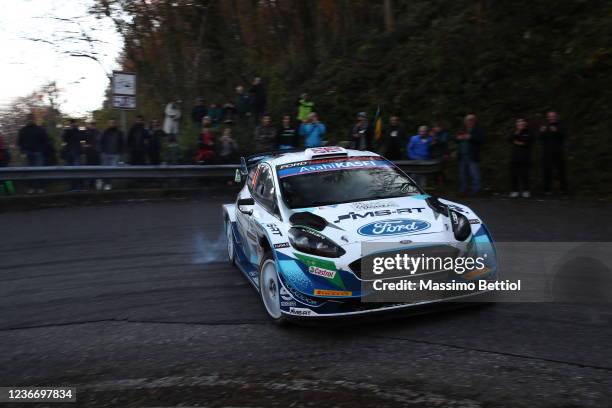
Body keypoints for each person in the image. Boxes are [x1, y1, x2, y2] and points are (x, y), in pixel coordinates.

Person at [454, 114, 485, 194]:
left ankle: (476, 190)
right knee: (462, 174)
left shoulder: (478, 130)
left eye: (471, 120)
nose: (469, 122)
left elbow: (481, 141)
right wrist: (458, 138)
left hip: (472, 156)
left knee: (475, 174)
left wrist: (470, 137)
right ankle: (463, 190)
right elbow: (455, 138)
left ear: (474, 121)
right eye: (467, 120)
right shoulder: (462, 129)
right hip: (462, 155)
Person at [539, 111, 568, 194]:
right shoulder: (545, 126)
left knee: (561, 171)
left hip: (558, 152)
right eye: (550, 116)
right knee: (547, 171)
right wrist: (541, 132)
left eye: (553, 116)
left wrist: (557, 131)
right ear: (547, 117)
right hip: (547, 153)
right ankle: (547, 189)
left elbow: (564, 135)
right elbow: (540, 138)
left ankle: (563, 189)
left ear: (556, 116)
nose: (551, 118)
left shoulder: (561, 125)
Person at [509, 118, 533, 198]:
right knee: (514, 175)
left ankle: (526, 191)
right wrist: (517, 134)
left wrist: (517, 141)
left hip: (525, 158)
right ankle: (515, 191)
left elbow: (527, 141)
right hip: (515, 157)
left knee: (525, 175)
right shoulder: (514, 131)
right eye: (518, 122)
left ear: (525, 123)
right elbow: (509, 139)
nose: (520, 124)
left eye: (522, 122)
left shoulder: (529, 132)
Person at [100, 119, 124, 190]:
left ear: (115, 124)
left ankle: (110, 185)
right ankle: (106, 183)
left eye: (113, 123)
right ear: (108, 124)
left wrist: (121, 152)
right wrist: (102, 152)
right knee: (105, 170)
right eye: (110, 123)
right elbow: (101, 142)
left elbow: (122, 143)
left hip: (115, 154)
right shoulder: (105, 132)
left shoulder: (119, 132)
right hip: (106, 154)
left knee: (113, 170)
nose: (111, 124)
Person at [61, 119, 84, 191]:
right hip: (69, 153)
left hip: (76, 153)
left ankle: (78, 186)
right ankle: (72, 186)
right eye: (71, 124)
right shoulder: (67, 131)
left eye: (73, 124)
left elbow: (80, 138)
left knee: (77, 170)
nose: (72, 125)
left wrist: (74, 129)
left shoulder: (78, 131)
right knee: (70, 171)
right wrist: (66, 131)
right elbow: (64, 139)